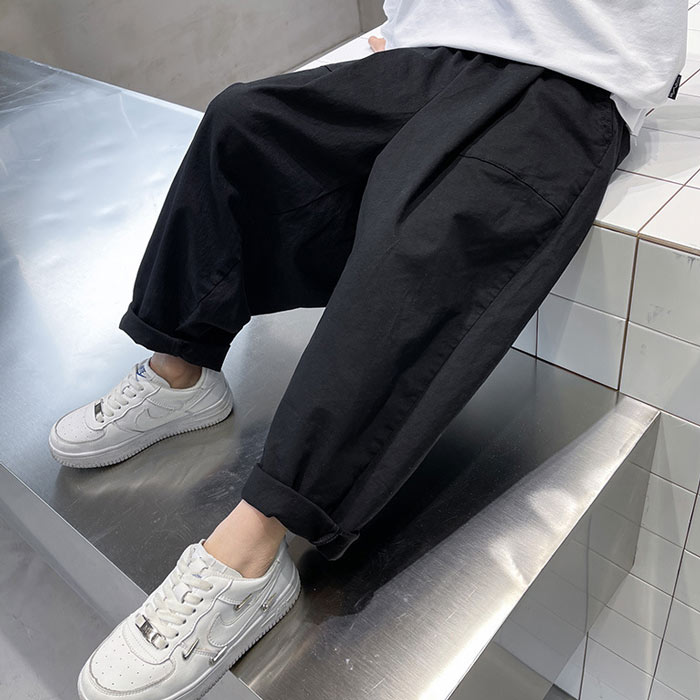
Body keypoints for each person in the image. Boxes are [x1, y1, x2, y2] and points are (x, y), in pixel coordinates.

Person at [50, 1, 687, 698]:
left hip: (578, 76)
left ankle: (255, 544)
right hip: (444, 49)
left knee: (424, 237)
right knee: (245, 123)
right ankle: (180, 374)